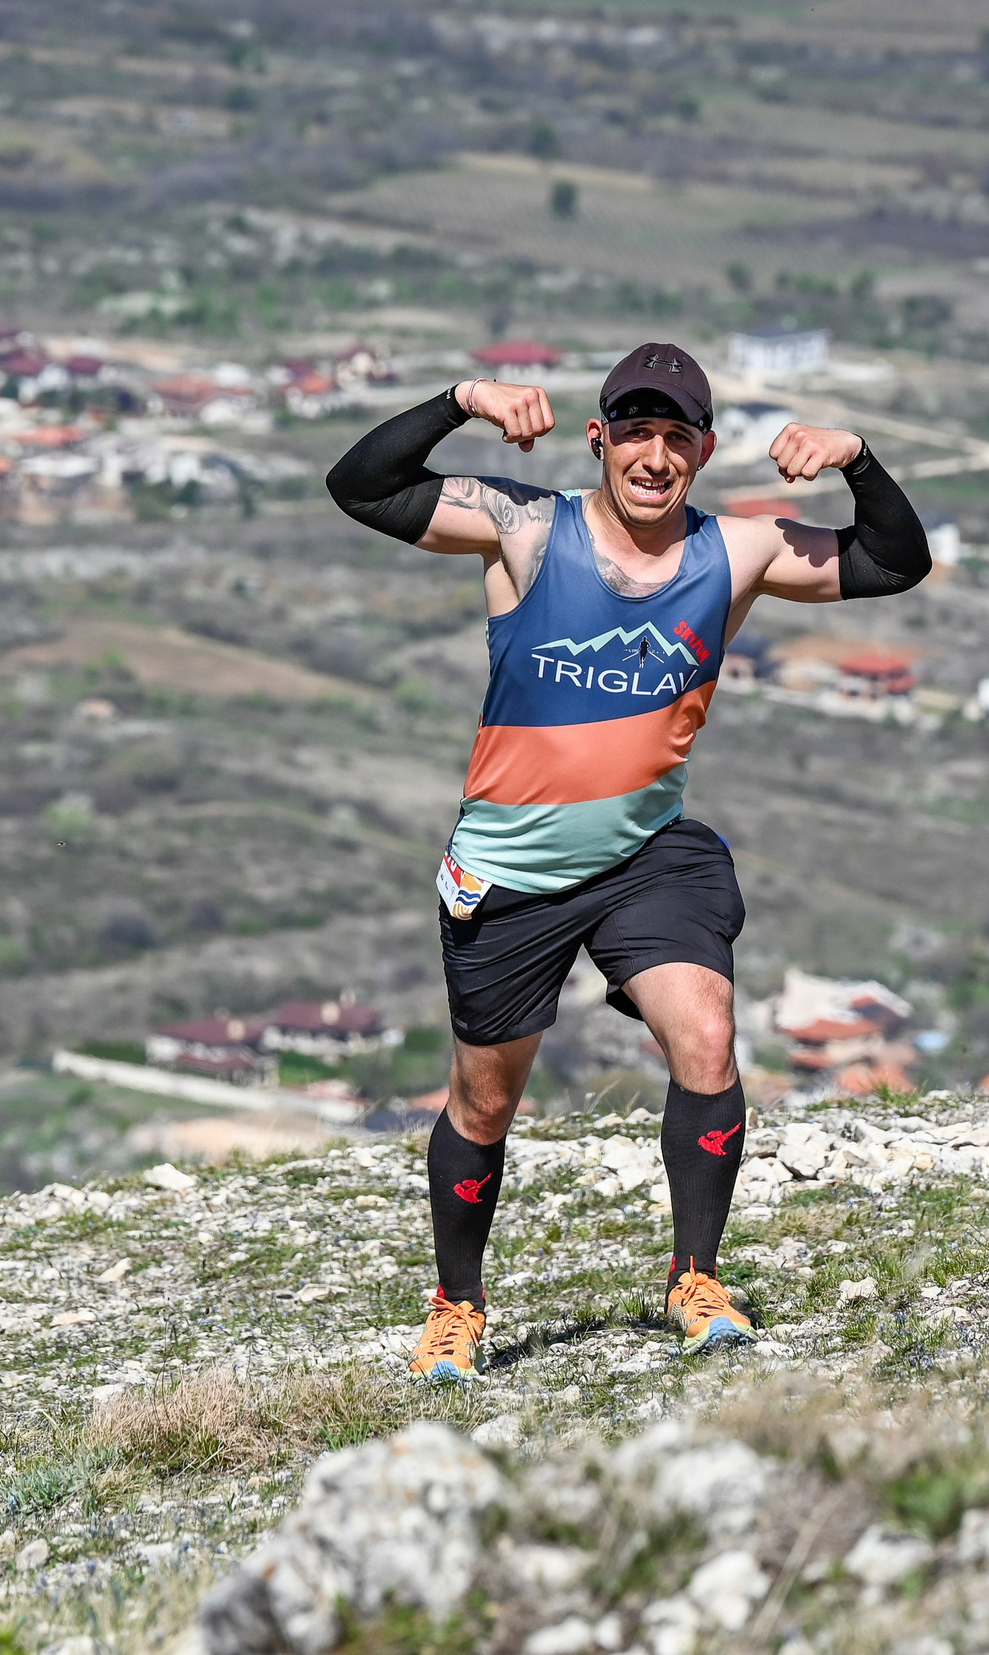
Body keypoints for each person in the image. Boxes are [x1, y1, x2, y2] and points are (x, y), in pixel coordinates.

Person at [323, 343, 932, 1379]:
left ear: (699, 448)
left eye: (677, 434)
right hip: (511, 874)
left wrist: (857, 456)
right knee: (483, 1103)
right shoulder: (525, 529)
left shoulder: (737, 553)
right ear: (600, 437)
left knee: (706, 1038)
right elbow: (361, 486)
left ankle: (694, 1278)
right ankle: (456, 1305)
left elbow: (892, 561)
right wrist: (460, 400)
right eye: (636, 430)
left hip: (647, 853)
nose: (655, 453)